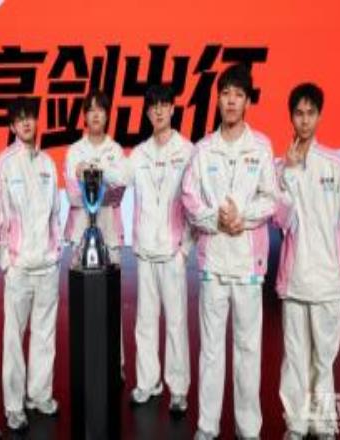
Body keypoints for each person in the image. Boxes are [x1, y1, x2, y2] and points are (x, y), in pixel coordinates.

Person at [182, 64, 277, 440]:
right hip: (213, 263)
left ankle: (248, 428)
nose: (231, 101)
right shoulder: (203, 150)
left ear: (247, 101)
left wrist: (243, 218)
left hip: (249, 265)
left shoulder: (262, 147)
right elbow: (189, 198)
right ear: (218, 99)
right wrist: (216, 221)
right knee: (210, 351)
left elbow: (270, 198)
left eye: (238, 94)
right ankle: (207, 426)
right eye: (225, 94)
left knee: (248, 350)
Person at [275, 83, 340, 440]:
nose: (304, 120)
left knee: (324, 358)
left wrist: (338, 270)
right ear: (290, 117)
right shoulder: (280, 167)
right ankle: (296, 424)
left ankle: (323, 424)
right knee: (295, 357)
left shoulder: (335, 164)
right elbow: (281, 220)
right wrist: (291, 173)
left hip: (327, 281)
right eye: (299, 113)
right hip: (294, 280)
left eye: (310, 113)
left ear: (319, 116)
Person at [0, 96, 61, 431]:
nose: (26, 123)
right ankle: (13, 405)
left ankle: (39, 395)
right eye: (20, 118)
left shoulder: (48, 163)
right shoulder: (3, 164)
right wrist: (6, 261)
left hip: (47, 266)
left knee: (45, 335)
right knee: (13, 339)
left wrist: (55, 252)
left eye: (31, 117)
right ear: (12, 125)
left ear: (37, 121)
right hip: (19, 268)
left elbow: (55, 215)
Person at [127, 84, 193, 414]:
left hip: (172, 252)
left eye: (164, 104)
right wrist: (88, 169)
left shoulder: (188, 151)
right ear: (147, 112)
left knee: (176, 322)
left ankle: (178, 388)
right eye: (153, 106)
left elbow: (196, 202)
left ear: (172, 108)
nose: (158, 111)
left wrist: (185, 249)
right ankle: (147, 382)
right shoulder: (138, 154)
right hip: (145, 252)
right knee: (145, 321)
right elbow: (116, 179)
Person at [64, 89, 126, 266]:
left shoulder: (116, 150)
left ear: (107, 115)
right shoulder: (75, 151)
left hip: (110, 234)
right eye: (91, 110)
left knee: (111, 284)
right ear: (85, 116)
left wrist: (93, 174)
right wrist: (104, 183)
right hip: (80, 235)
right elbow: (73, 197)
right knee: (80, 284)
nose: (96, 115)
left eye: (100, 110)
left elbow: (117, 195)